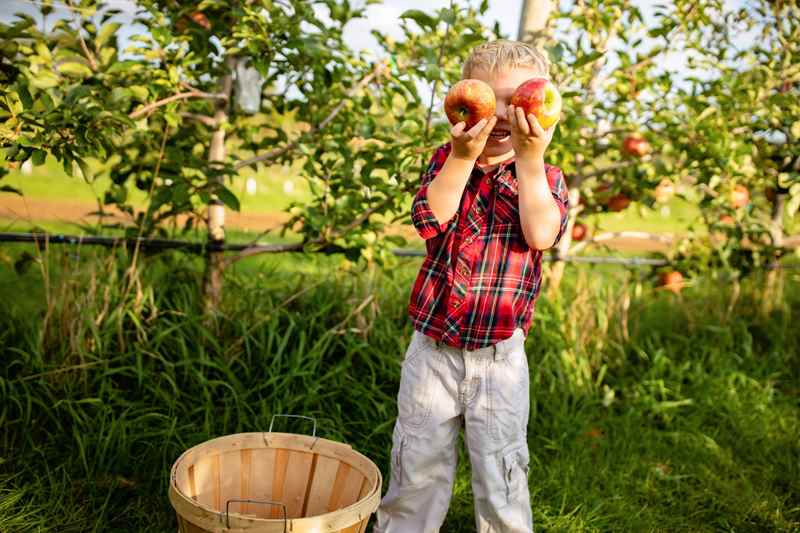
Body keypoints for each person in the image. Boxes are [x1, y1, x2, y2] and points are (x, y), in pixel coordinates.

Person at [373, 39, 569, 533]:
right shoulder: (447, 160)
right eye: (491, 98)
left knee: (501, 467)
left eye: (517, 99)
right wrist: (462, 157)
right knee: (416, 458)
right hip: (432, 349)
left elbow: (542, 233)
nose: (504, 114)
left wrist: (528, 161)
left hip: (499, 357)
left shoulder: (544, 175)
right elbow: (427, 219)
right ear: (464, 99)